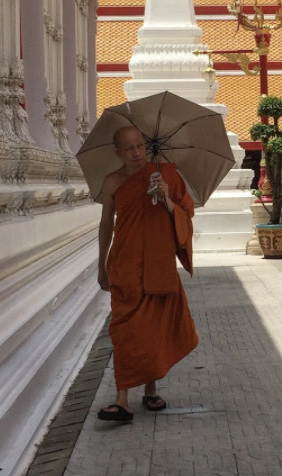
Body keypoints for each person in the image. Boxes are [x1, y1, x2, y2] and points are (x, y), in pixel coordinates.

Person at [96, 125, 198, 422]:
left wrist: (166, 199)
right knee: (125, 330)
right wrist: (101, 264)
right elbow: (105, 225)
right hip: (124, 265)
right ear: (118, 152)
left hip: (157, 263)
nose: (137, 153)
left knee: (152, 329)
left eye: (140, 146)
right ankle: (121, 399)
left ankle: (150, 391)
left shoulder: (164, 176)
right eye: (129, 148)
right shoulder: (112, 182)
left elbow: (186, 214)